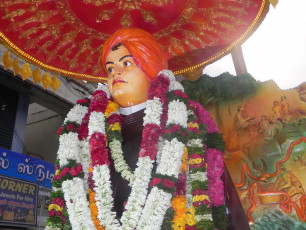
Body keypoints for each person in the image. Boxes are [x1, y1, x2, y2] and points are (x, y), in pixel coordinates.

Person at [47, 28, 249, 230]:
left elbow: (224, 203)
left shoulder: (185, 124)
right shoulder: (91, 134)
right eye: (110, 68)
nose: (115, 72)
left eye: (126, 63)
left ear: (151, 68)